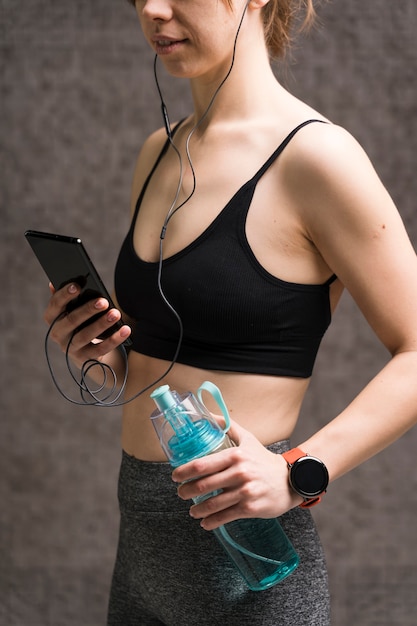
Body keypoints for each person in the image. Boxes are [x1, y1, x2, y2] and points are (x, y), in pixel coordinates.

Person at [43, 0, 417, 624]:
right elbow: (156, 361)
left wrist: (299, 473)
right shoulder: (158, 152)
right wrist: (104, 355)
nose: (152, 10)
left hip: (254, 578)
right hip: (139, 559)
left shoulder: (318, 157)